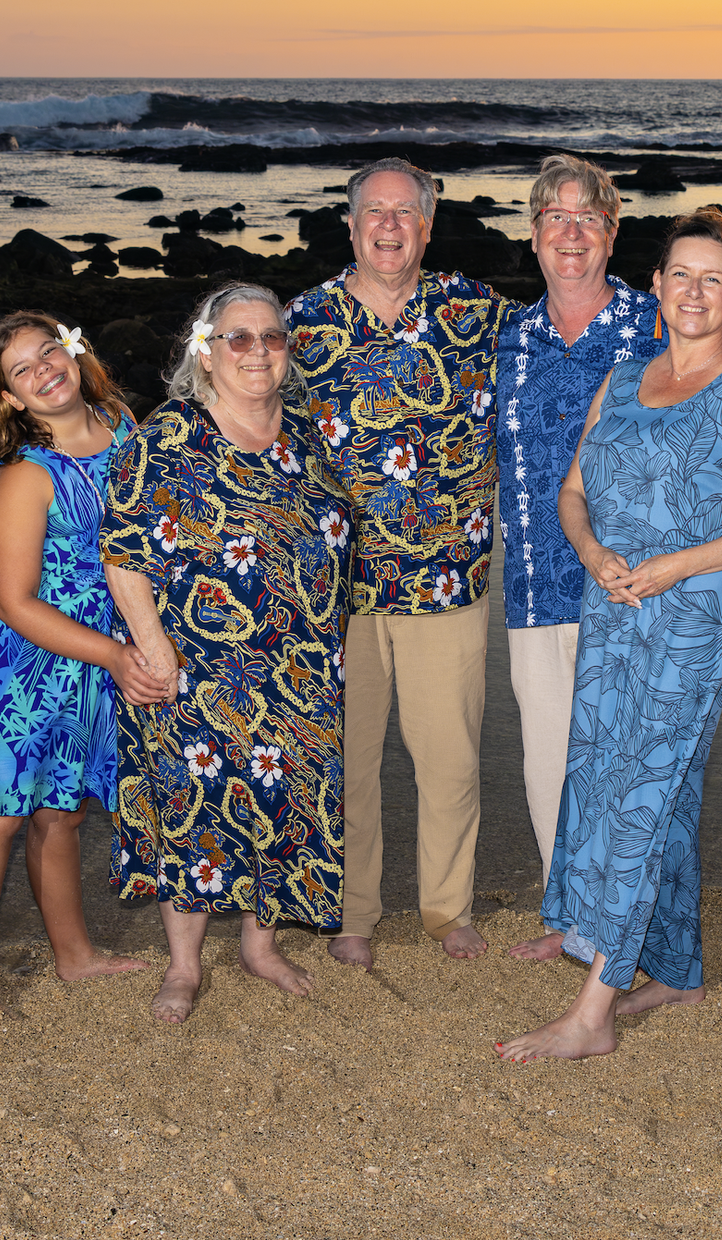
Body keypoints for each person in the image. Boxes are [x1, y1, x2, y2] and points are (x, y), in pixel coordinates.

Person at [497, 210, 722, 1063]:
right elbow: (572, 493)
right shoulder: (623, 378)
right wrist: (592, 554)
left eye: (713, 279)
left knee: (645, 787)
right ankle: (678, 965)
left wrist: (673, 566)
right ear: (657, 287)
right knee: (610, 776)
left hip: (694, 612)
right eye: (680, 275)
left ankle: (592, 1012)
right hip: (613, 602)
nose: (695, 292)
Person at [102, 282, 353, 1024]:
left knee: (282, 804)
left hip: (298, 668)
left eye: (272, 337)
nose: (257, 352)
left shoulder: (307, 434)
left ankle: (259, 945)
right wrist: (153, 650)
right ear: (206, 353)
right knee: (194, 808)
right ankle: (183, 966)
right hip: (195, 665)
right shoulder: (169, 436)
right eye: (238, 338)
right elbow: (124, 553)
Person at [287, 157, 511, 967]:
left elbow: (559, 380)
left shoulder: (478, 312)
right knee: (346, 758)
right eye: (373, 213)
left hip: (447, 574)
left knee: (448, 755)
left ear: (427, 224)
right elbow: (248, 428)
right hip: (337, 585)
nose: (388, 225)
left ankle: (447, 908)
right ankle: (352, 911)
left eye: (404, 212)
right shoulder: (302, 322)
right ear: (349, 227)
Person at [0, 312, 167, 1010]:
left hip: (97, 651)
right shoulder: (24, 475)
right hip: (22, 659)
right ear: (10, 398)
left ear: (74, 353)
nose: (44, 371)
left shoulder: (122, 424)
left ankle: (74, 956)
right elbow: (13, 601)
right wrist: (116, 654)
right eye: (22, 370)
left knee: (62, 812)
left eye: (49, 353)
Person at [495, 155, 662, 965]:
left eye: (588, 218)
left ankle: (627, 926)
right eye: (555, 218)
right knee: (547, 761)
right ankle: (571, 918)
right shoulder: (508, 341)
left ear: (612, 232)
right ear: (533, 236)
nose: (571, 233)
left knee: (628, 760)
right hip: (535, 585)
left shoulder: (656, 326)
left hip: (634, 584)